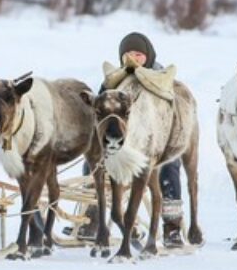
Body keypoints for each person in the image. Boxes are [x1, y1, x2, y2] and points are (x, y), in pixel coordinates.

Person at [79, 32, 186, 247]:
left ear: (148, 56)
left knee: (170, 167)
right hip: (119, 140)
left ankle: (172, 225)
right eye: (128, 54)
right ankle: (93, 217)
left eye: (139, 55)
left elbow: (172, 113)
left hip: (155, 140)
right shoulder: (113, 80)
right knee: (91, 165)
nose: (134, 59)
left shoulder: (161, 80)